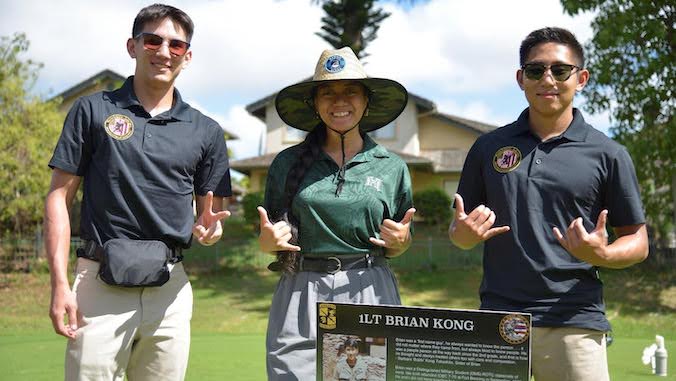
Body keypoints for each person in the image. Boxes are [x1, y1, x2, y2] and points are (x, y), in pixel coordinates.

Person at [448, 27, 649, 381]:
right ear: (520, 79)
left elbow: (638, 240)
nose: (548, 79)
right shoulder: (487, 147)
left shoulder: (608, 153)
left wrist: (602, 255)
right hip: (498, 320)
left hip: (573, 322)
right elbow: (460, 235)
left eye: (560, 70)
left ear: (581, 78)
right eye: (535, 70)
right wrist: (463, 234)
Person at [44, 4, 232, 380]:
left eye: (176, 45)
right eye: (153, 40)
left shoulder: (207, 131)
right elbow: (58, 199)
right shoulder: (92, 110)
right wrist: (60, 283)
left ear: (187, 56)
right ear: (132, 46)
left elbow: (211, 218)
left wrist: (211, 233)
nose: (164, 52)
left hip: (170, 290)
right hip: (98, 286)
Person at [258, 46, 415, 379]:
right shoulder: (286, 164)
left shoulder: (392, 167)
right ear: (315, 104)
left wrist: (401, 242)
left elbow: (402, 237)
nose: (339, 101)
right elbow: (271, 236)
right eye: (328, 92)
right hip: (300, 287)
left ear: (366, 101)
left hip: (367, 286)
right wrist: (267, 241)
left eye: (351, 91)